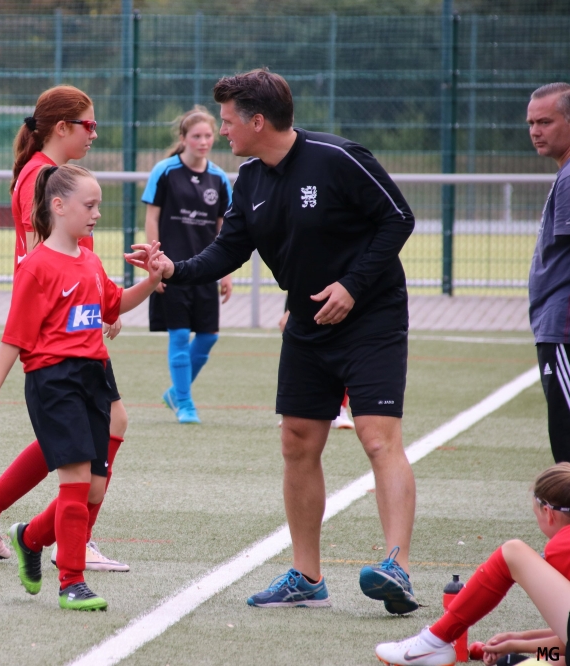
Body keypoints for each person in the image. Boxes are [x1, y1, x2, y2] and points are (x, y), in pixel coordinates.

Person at [127, 68, 418, 614]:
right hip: (306, 326)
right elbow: (228, 250)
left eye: (228, 121)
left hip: (372, 319)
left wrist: (353, 287)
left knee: (378, 439)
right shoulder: (250, 180)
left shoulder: (338, 157)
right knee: (296, 442)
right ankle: (307, 578)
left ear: (257, 121)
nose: (222, 132)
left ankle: (396, 567)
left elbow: (398, 219)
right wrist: (172, 269)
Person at [0, 165, 165, 610]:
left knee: (93, 490)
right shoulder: (36, 267)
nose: (97, 214)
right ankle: (72, 582)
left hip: (94, 378)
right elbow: (14, 336)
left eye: (99, 206)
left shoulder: (90, 261)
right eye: (89, 205)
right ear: (58, 206)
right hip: (53, 382)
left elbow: (114, 304)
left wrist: (153, 280)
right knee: (76, 483)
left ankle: (30, 537)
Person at [0, 85, 130, 572]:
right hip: (62, 335)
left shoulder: (44, 172)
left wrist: (103, 297)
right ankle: (70, 539)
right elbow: (47, 256)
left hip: (74, 324)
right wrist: (90, 302)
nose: (95, 134)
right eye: (89, 125)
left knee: (83, 434)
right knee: (96, 431)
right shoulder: (42, 176)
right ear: (62, 127)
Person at [375, 463, 570, 666]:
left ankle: (434, 641)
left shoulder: (560, 546)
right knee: (532, 661)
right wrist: (517, 641)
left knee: (513, 552)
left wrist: (518, 644)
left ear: (548, 513)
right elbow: (565, 642)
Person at [143, 105, 233, 424]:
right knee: (179, 335)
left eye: (208, 135)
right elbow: (151, 219)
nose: (203, 141)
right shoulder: (165, 171)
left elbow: (224, 228)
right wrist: (155, 264)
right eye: (196, 136)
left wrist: (225, 271)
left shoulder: (219, 178)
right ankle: (184, 403)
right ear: (183, 138)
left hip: (205, 269)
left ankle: (174, 393)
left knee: (208, 336)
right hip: (172, 268)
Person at [526, 83, 570, 464]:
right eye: (531, 123)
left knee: (566, 444)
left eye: (545, 122)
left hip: (564, 326)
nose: (535, 131)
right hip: (555, 325)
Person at [278, 309, 354, 430]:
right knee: (301, 348)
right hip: (306, 308)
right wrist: (291, 310)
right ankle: (297, 409)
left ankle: (340, 409)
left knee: (344, 348)